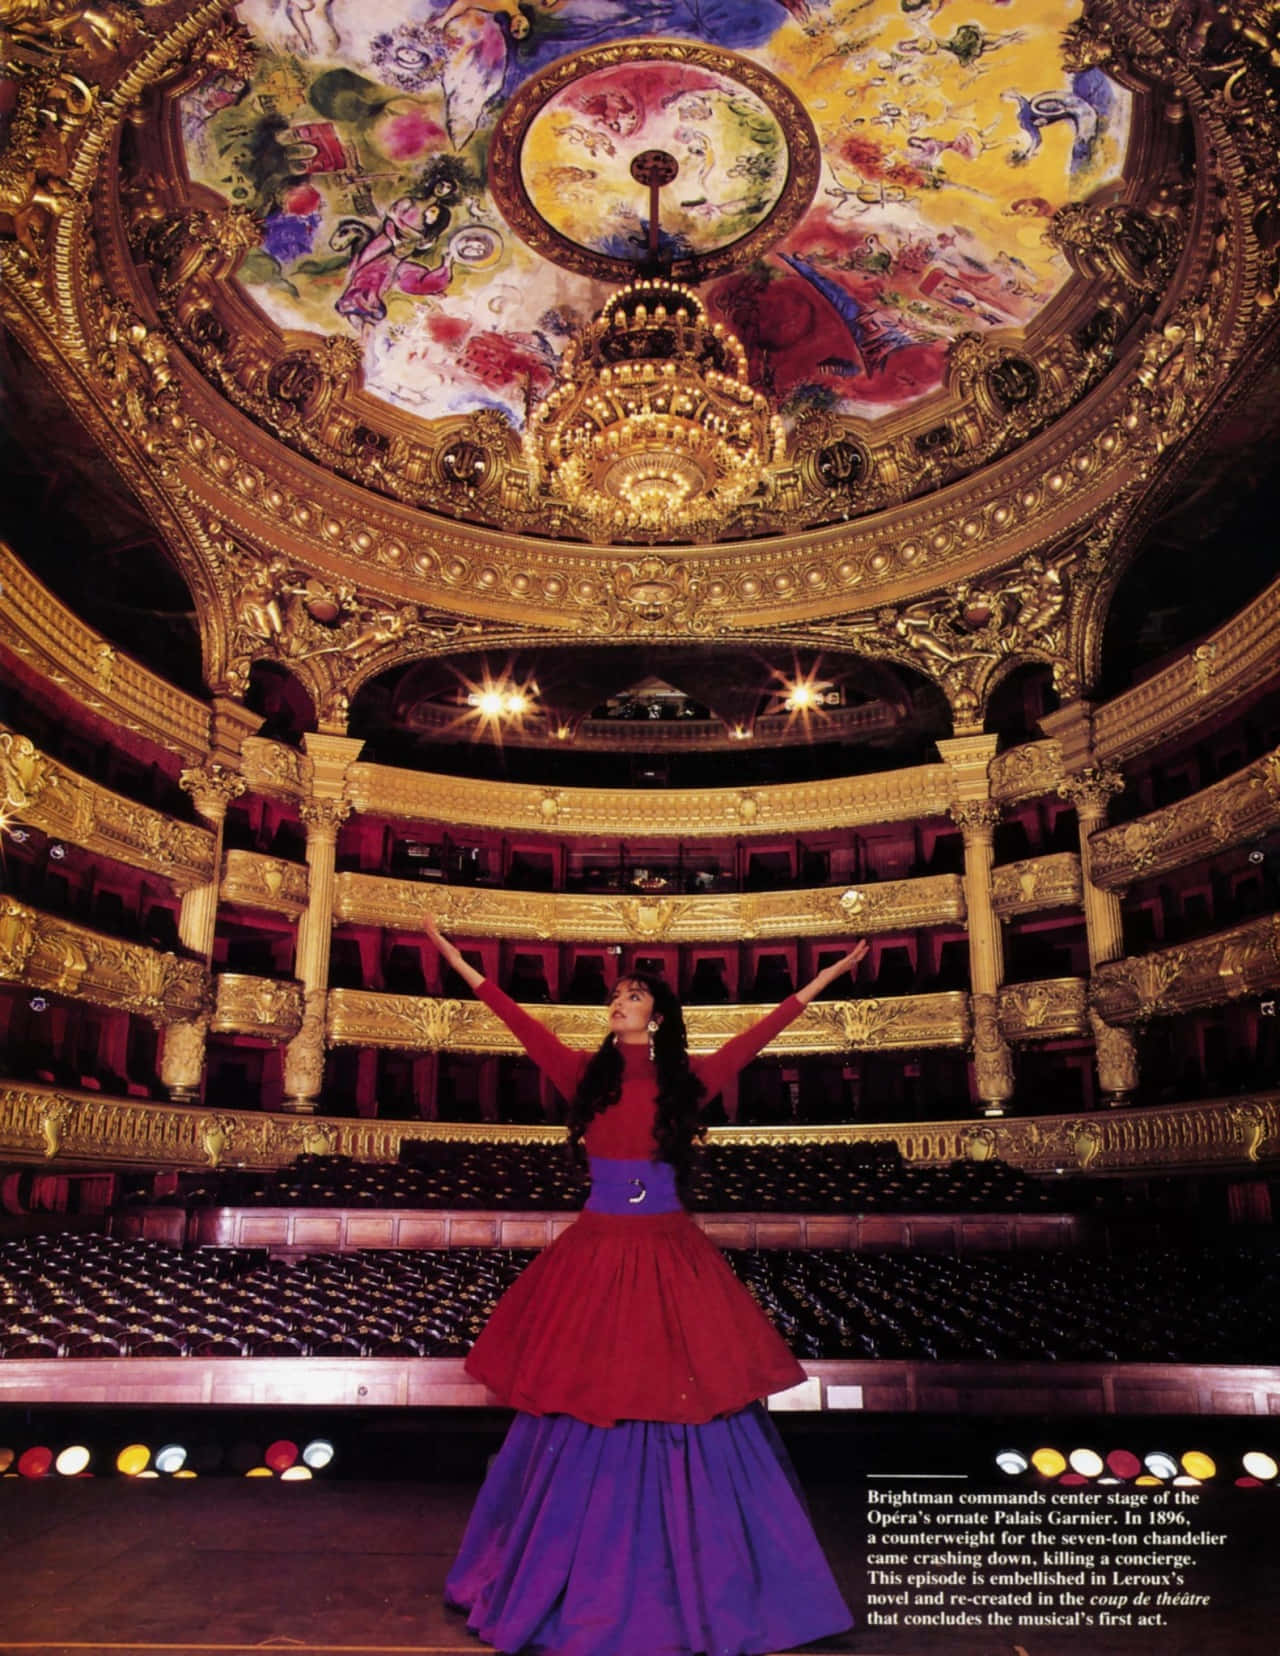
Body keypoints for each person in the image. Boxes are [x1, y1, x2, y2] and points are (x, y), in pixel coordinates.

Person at [423, 913, 867, 1656]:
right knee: (588, 1392)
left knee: (681, 1390)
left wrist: (824, 979)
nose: (618, 1002)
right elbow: (511, 1016)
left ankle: (700, 1579)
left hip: (666, 1250)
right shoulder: (582, 1074)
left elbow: (762, 1035)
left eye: (632, 995)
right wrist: (450, 957)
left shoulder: (687, 1080)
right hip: (598, 1249)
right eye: (616, 995)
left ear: (656, 1016)